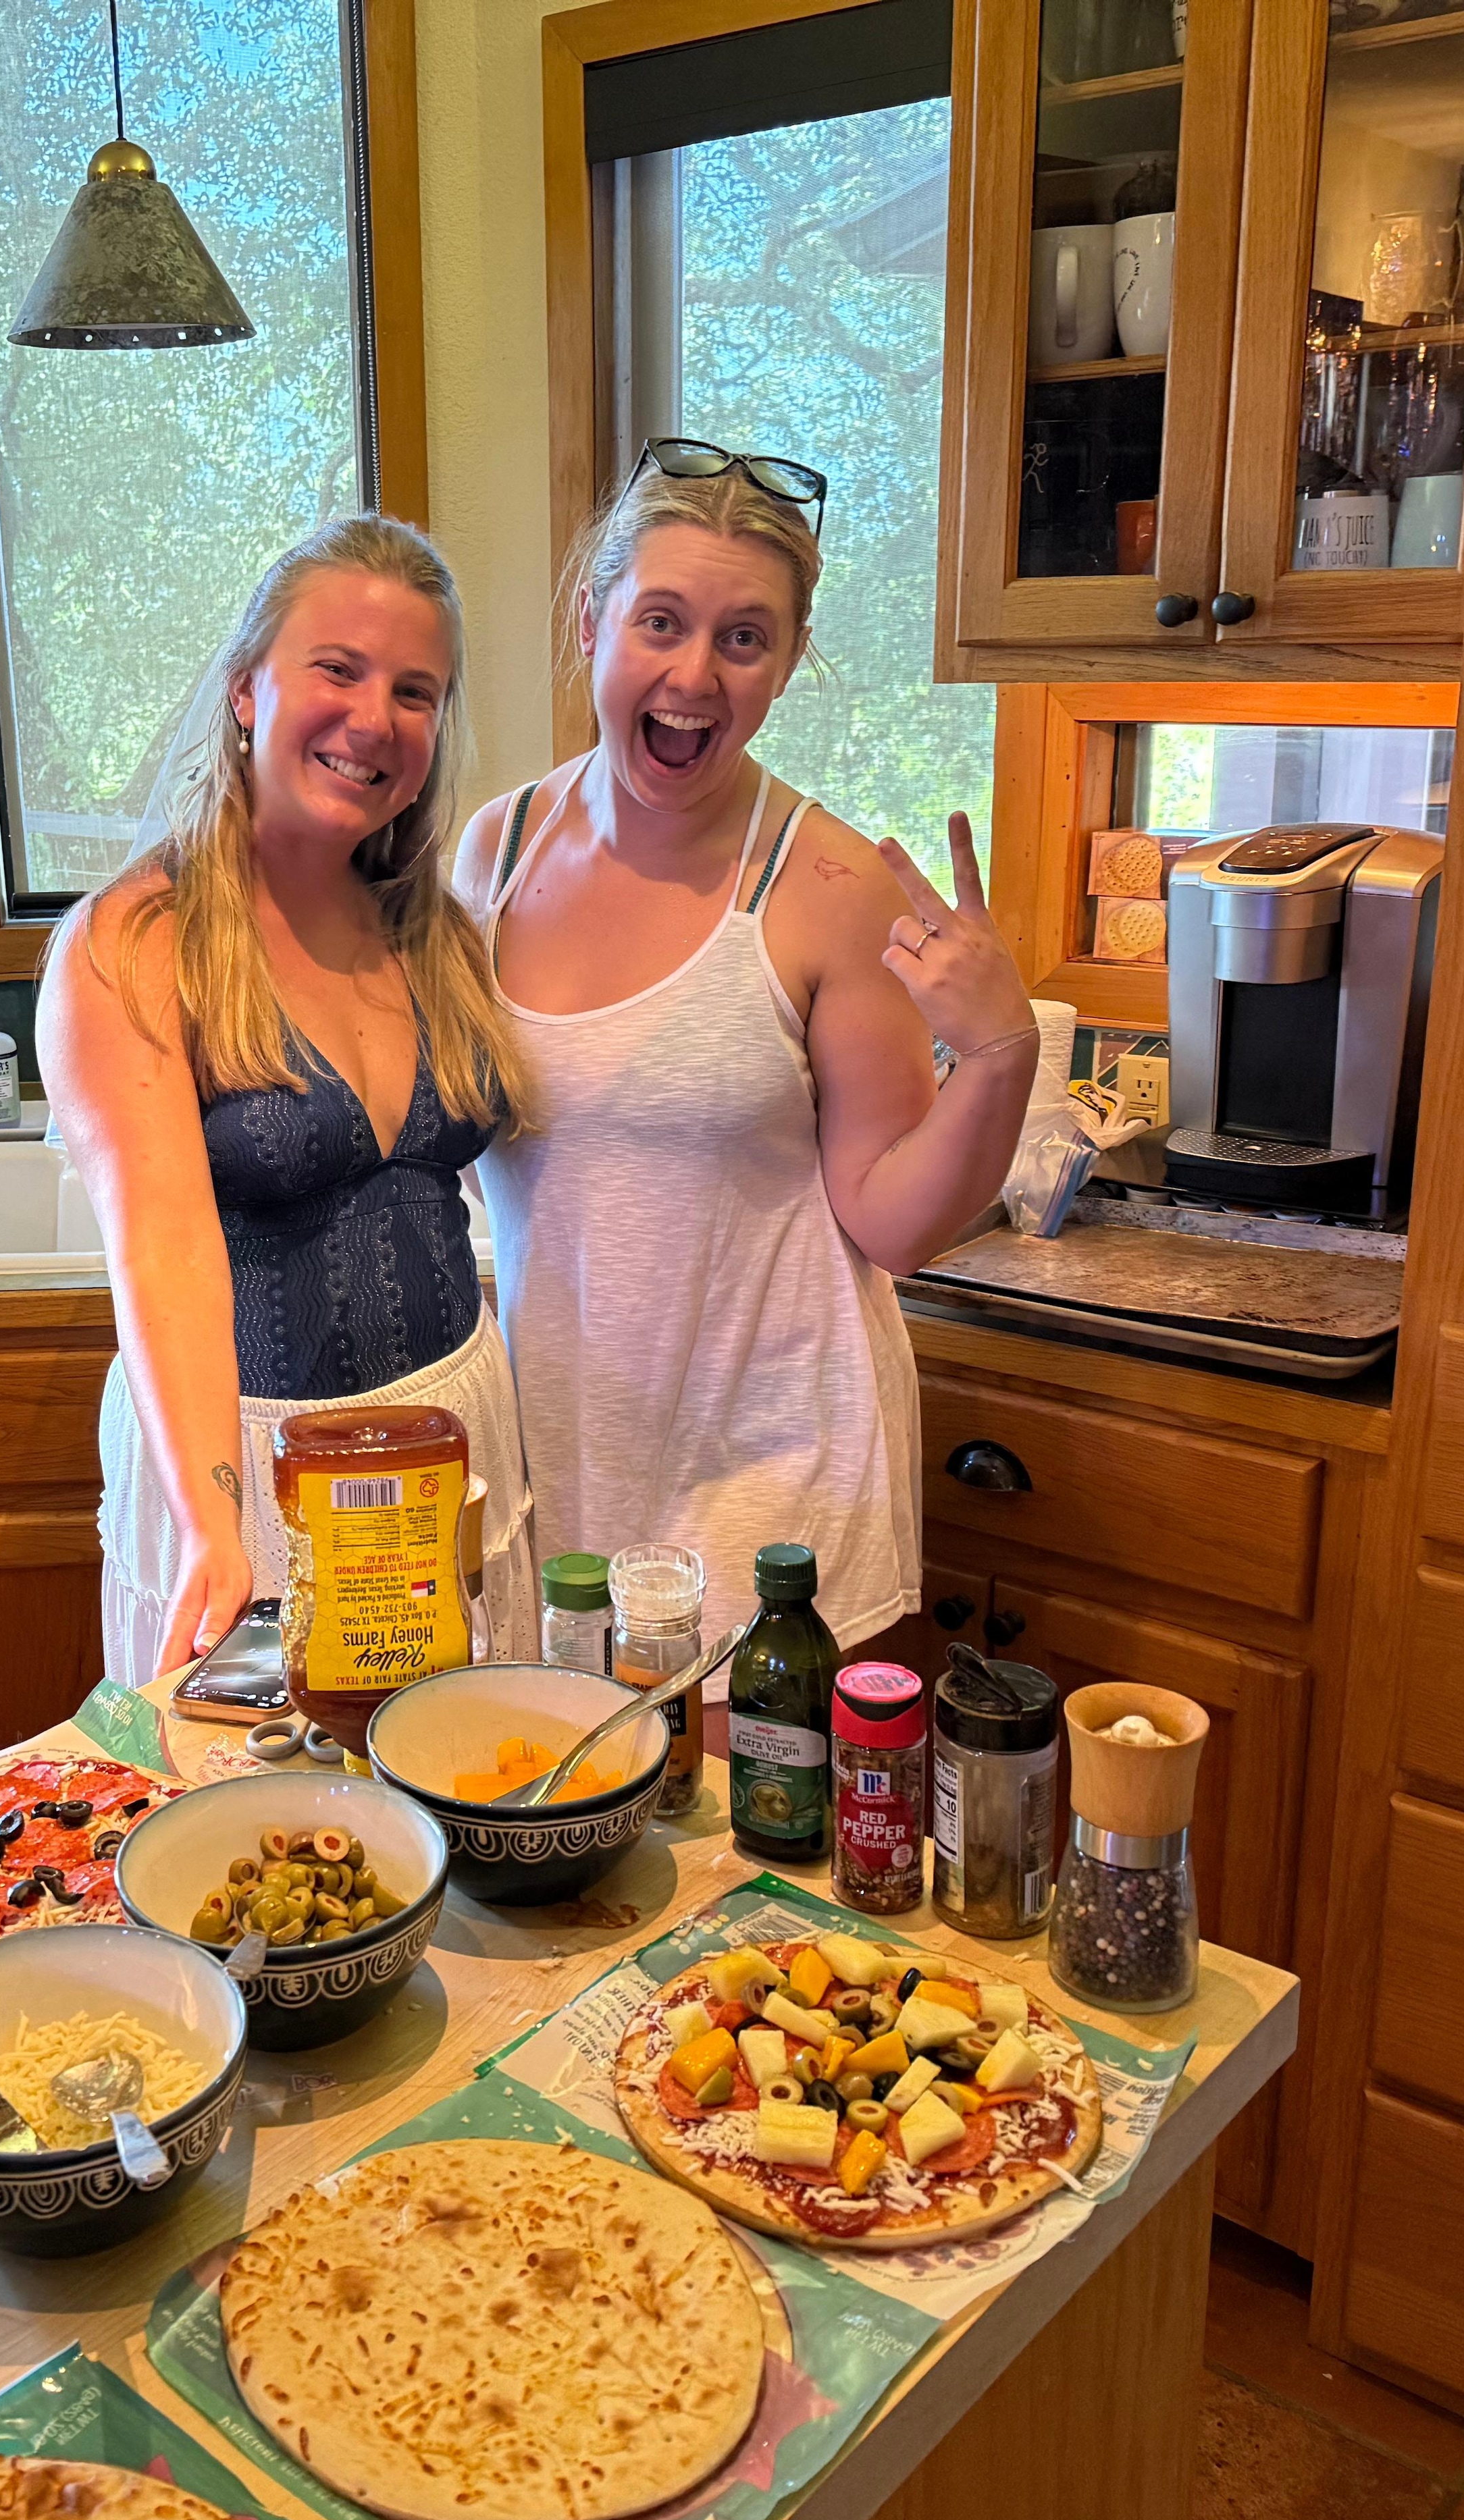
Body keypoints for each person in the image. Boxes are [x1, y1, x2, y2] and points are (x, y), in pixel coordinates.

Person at [451, 440, 1039, 1652]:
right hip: (560, 1481)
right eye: (660, 621)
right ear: (593, 621)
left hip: (777, 1503)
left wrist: (1000, 1056)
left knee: (743, 1788)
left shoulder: (829, 888)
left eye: (745, 638)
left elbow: (891, 1222)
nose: (694, 676)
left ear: (788, 662)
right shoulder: (492, 856)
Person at [44, 514, 535, 1685]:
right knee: (262, 1799)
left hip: (456, 1447)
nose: (375, 719)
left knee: (465, 1774)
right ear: (246, 690)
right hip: (251, 1473)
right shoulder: (137, 943)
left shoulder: (437, 931)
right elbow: (162, 1247)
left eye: (415, 692)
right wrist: (215, 1519)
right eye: (338, 669)